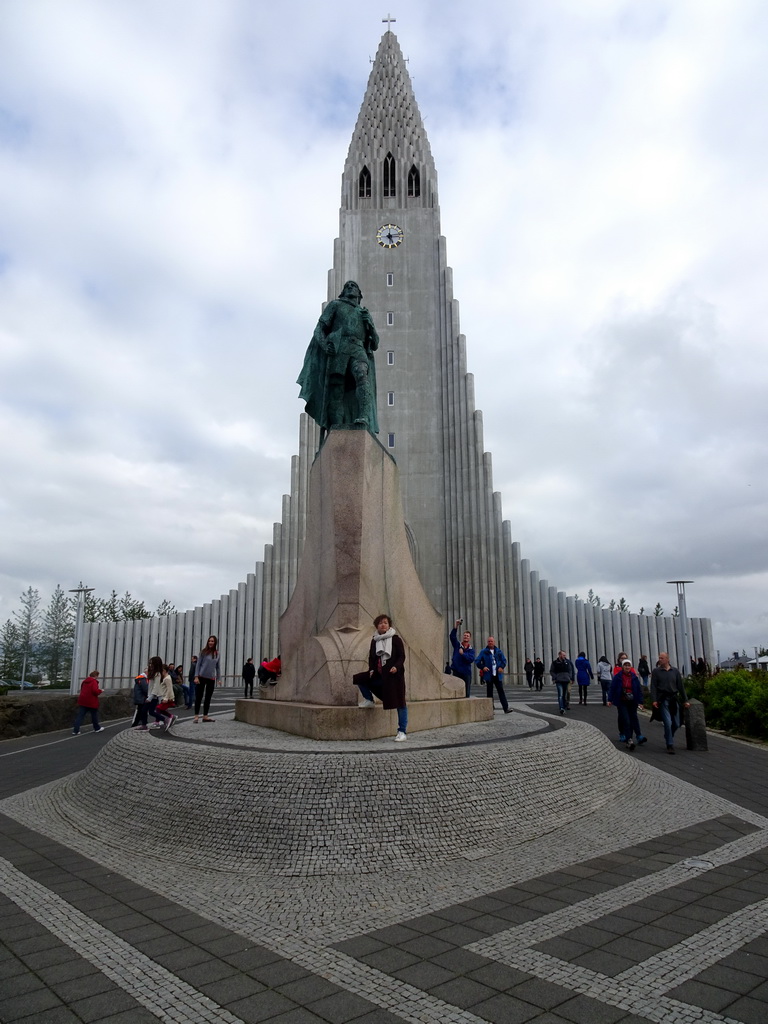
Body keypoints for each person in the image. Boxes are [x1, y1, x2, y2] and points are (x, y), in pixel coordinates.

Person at [297, 280, 380, 439]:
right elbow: (319, 329)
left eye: (354, 286)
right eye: (347, 286)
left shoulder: (364, 314)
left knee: (362, 375)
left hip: (358, 349)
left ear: (359, 294)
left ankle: (363, 417)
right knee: (336, 390)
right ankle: (336, 429)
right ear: (343, 292)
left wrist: (371, 325)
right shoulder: (335, 305)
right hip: (339, 349)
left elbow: (375, 343)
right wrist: (324, 345)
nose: (350, 287)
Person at [355, 613, 408, 741]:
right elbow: (372, 658)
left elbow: (402, 656)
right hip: (380, 676)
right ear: (377, 626)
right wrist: (371, 670)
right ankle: (369, 700)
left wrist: (396, 666)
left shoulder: (395, 639)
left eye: (385, 622)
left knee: (400, 703)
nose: (383, 624)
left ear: (389, 625)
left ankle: (402, 731)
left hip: (394, 677)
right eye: (380, 623)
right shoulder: (374, 640)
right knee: (359, 679)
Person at [650, 651, 690, 754]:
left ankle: (668, 735)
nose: (660, 659)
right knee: (667, 722)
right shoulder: (656, 671)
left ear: (668, 659)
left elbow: (681, 687)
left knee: (676, 723)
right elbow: (653, 687)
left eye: (662, 658)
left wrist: (685, 700)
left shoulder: (675, 671)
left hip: (673, 699)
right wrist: (654, 700)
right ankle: (670, 744)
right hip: (663, 700)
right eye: (659, 657)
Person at [607, 660, 647, 750]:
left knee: (634, 718)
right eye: (625, 665)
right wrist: (609, 699)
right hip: (622, 701)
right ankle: (629, 739)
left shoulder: (634, 677)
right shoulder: (618, 677)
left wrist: (640, 701)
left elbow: (638, 689)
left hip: (632, 701)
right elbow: (612, 688)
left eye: (629, 665)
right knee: (626, 720)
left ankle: (638, 735)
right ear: (622, 666)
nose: (627, 667)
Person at [476, 637, 511, 713]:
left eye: (491, 641)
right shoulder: (483, 652)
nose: (490, 642)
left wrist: (502, 667)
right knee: (489, 692)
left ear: (494, 642)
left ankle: (506, 708)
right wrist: (483, 667)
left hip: (497, 675)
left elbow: (504, 660)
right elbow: (477, 661)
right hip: (489, 675)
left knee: (501, 691)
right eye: (489, 641)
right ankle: (490, 709)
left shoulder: (498, 651)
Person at [194, 635, 220, 723]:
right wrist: (196, 676)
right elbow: (198, 664)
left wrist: (219, 678)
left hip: (211, 678)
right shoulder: (203, 652)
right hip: (201, 677)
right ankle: (196, 716)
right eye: (209, 641)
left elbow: (218, 667)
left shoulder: (217, 654)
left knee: (208, 697)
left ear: (215, 642)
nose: (210, 642)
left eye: (212, 641)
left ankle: (205, 716)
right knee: (199, 696)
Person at [147, 657, 177, 731]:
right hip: (163, 697)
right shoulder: (164, 678)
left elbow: (170, 689)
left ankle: (168, 718)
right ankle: (163, 719)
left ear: (164, 671)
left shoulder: (167, 679)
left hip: (168, 698)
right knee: (160, 709)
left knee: (158, 708)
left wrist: (166, 698)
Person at [72, 670, 104, 735]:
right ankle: (97, 728)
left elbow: (82, 689)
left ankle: (75, 730)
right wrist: (101, 691)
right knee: (94, 715)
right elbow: (95, 691)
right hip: (91, 701)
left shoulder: (84, 681)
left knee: (80, 716)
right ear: (96, 676)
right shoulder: (94, 682)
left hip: (83, 701)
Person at [449, 620, 475, 698]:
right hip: (456, 671)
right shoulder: (457, 645)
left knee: (466, 693)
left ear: (469, 638)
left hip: (466, 673)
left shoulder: (471, 649)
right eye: (464, 635)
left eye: (467, 636)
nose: (466, 637)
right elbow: (452, 637)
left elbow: (470, 659)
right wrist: (456, 626)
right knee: (456, 692)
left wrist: (463, 654)